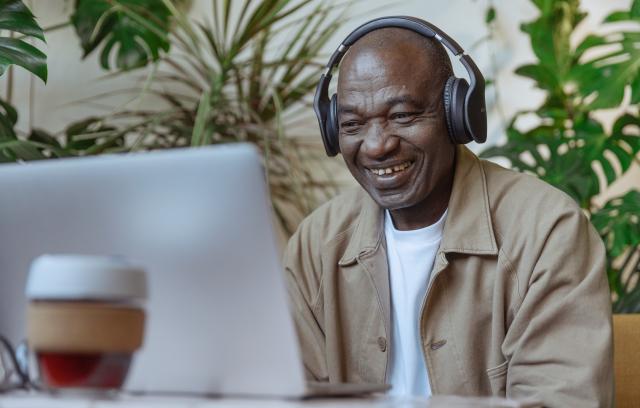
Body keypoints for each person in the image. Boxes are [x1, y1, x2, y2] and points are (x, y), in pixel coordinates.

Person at [283, 17, 613, 407]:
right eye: (353, 124)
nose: (375, 146)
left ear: (458, 115)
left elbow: (562, 401)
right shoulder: (316, 243)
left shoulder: (547, 231)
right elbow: (285, 396)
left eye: (402, 116)